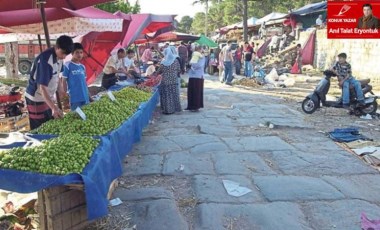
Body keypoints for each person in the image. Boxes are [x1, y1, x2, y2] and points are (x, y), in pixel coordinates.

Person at [25, 35, 73, 130]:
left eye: (66, 55)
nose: (64, 57)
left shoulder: (60, 58)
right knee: (39, 128)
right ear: (57, 47)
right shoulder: (46, 61)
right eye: (63, 53)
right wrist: (54, 108)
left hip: (48, 98)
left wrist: (63, 93)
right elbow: (42, 88)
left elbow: (57, 78)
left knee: (49, 124)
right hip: (36, 98)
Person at [62, 43, 91, 111]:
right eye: (77, 52)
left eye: (81, 52)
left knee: (86, 117)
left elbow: (85, 83)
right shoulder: (67, 65)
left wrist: (89, 96)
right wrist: (65, 97)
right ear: (72, 53)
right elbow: (63, 81)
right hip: (75, 98)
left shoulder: (82, 67)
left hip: (85, 97)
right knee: (76, 117)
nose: (79, 55)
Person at [158, 48, 182, 114]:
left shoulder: (163, 62)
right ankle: (176, 108)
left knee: (167, 96)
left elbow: (159, 71)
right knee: (174, 95)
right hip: (174, 80)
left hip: (165, 81)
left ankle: (168, 110)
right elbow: (179, 70)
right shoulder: (176, 61)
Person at [186, 45, 206, 112]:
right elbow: (190, 63)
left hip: (198, 76)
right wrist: (190, 64)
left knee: (197, 92)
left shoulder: (202, 57)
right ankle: (190, 106)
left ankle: (196, 106)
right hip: (192, 75)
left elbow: (199, 65)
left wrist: (192, 64)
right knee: (191, 91)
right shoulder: (194, 55)